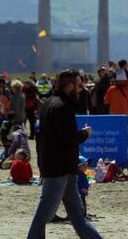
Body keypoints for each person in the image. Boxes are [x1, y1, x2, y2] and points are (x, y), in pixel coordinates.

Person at [27, 69, 101, 239]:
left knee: (78, 218)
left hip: (64, 169)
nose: (81, 89)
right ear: (69, 86)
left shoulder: (49, 104)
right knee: (43, 215)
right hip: (59, 169)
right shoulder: (62, 107)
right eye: (78, 85)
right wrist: (85, 134)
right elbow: (68, 138)